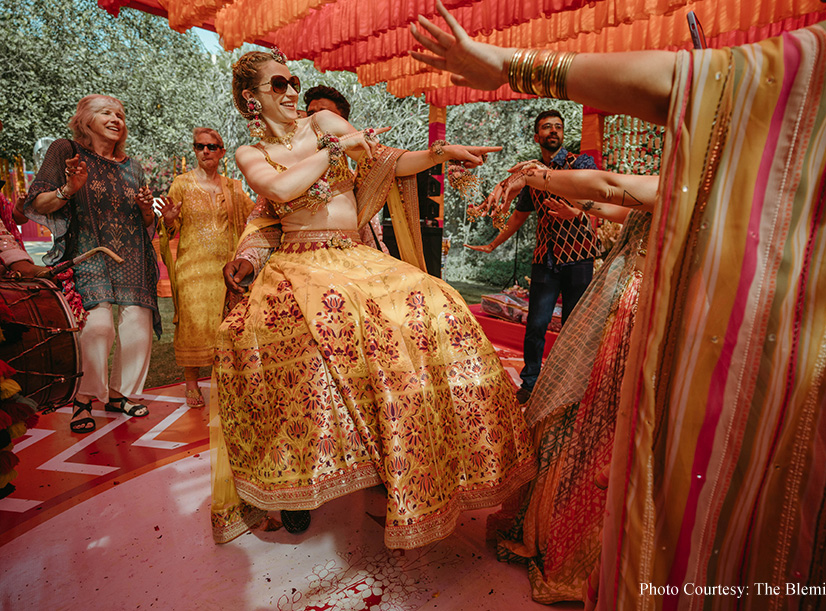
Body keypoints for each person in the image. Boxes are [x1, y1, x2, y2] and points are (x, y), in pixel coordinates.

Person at [412, 1, 826, 609]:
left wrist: (509, 79)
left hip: (635, 293)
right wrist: (544, 206)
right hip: (610, 276)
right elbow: (614, 203)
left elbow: (620, 183)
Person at [210, 49, 536, 549]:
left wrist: (440, 153)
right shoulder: (250, 154)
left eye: (294, 81)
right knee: (308, 338)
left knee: (437, 303)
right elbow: (279, 190)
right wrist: (337, 150)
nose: (292, 91)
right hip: (300, 262)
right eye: (278, 85)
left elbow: (387, 160)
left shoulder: (322, 122)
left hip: (353, 255)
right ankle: (299, 483)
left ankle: (416, 456)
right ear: (251, 99)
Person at [481, 165, 656, 603]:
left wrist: (532, 176)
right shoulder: (676, 186)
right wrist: (576, 204)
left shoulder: (692, 179)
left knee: (602, 418)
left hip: (637, 309)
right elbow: (616, 205)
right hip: (613, 292)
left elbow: (611, 187)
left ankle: (579, 539)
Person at [23, 95, 159, 435]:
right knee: (98, 327)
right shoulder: (66, 151)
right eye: (106, 113)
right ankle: (83, 399)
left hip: (132, 256)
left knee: (137, 327)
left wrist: (147, 211)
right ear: (85, 120)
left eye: (120, 115)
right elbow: (38, 201)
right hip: (88, 253)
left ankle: (120, 394)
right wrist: (69, 188)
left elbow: (145, 224)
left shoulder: (133, 167)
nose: (116, 119)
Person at [465, 110, 599, 404]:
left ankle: (567, 386)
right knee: (536, 324)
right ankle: (530, 383)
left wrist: (576, 210)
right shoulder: (529, 177)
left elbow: (594, 196)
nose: (553, 131)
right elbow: (518, 217)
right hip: (545, 258)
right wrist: (492, 244)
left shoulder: (580, 163)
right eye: (547, 127)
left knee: (573, 326)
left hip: (579, 256)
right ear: (538, 137)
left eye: (558, 127)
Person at [157, 129, 254, 408]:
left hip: (226, 270)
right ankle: (191, 383)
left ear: (222, 151)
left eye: (212, 146)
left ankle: (227, 381)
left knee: (227, 326)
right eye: (200, 146)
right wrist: (170, 220)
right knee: (192, 324)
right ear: (195, 150)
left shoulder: (234, 187)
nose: (206, 151)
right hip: (193, 269)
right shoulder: (182, 184)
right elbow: (169, 227)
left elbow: (254, 216)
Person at [301, 85, 387, 253]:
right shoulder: (290, 167)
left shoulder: (355, 180)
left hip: (351, 258)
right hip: (298, 256)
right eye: (311, 114)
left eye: (325, 115)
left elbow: (371, 237)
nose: (316, 121)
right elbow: (263, 221)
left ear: (342, 123)